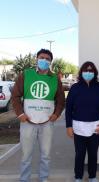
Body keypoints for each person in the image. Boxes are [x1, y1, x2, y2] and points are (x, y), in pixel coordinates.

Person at [12, 49, 65, 182]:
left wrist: (56, 114)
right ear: (36, 59)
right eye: (42, 57)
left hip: (47, 123)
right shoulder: (25, 75)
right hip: (27, 122)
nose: (44, 60)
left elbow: (61, 99)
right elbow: (15, 96)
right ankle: (24, 179)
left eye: (48, 59)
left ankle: (43, 178)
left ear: (50, 62)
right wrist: (20, 114)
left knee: (46, 155)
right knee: (25, 155)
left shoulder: (55, 79)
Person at [65, 61, 99, 182]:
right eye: (86, 70)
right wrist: (68, 126)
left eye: (91, 70)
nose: (88, 73)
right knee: (79, 154)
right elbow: (68, 108)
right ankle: (78, 176)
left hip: (96, 126)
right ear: (81, 72)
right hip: (78, 126)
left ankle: (92, 176)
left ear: (95, 73)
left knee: (93, 153)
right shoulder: (75, 88)